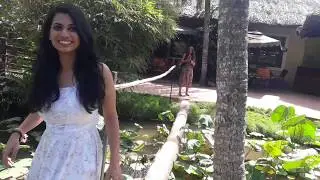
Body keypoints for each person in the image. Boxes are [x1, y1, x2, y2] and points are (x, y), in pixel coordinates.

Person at [2, 4, 121, 180]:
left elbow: (111, 117)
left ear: (82, 34)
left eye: (72, 29)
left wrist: (115, 163)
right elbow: (41, 111)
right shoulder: (45, 72)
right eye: (58, 27)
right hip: (48, 154)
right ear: (49, 34)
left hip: (83, 157)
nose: (64, 34)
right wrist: (18, 132)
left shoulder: (99, 72)